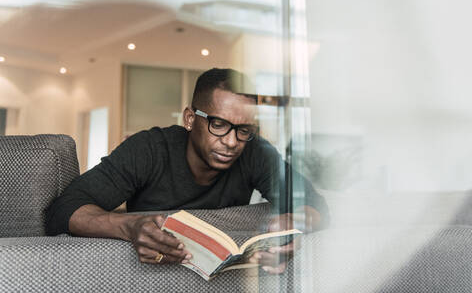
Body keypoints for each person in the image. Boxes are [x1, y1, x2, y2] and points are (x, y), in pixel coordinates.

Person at [46, 68, 328, 274]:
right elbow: (63, 211)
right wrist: (128, 226)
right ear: (190, 119)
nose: (231, 141)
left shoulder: (254, 151)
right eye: (218, 124)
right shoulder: (149, 149)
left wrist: (293, 226)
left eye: (244, 130)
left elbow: (316, 205)